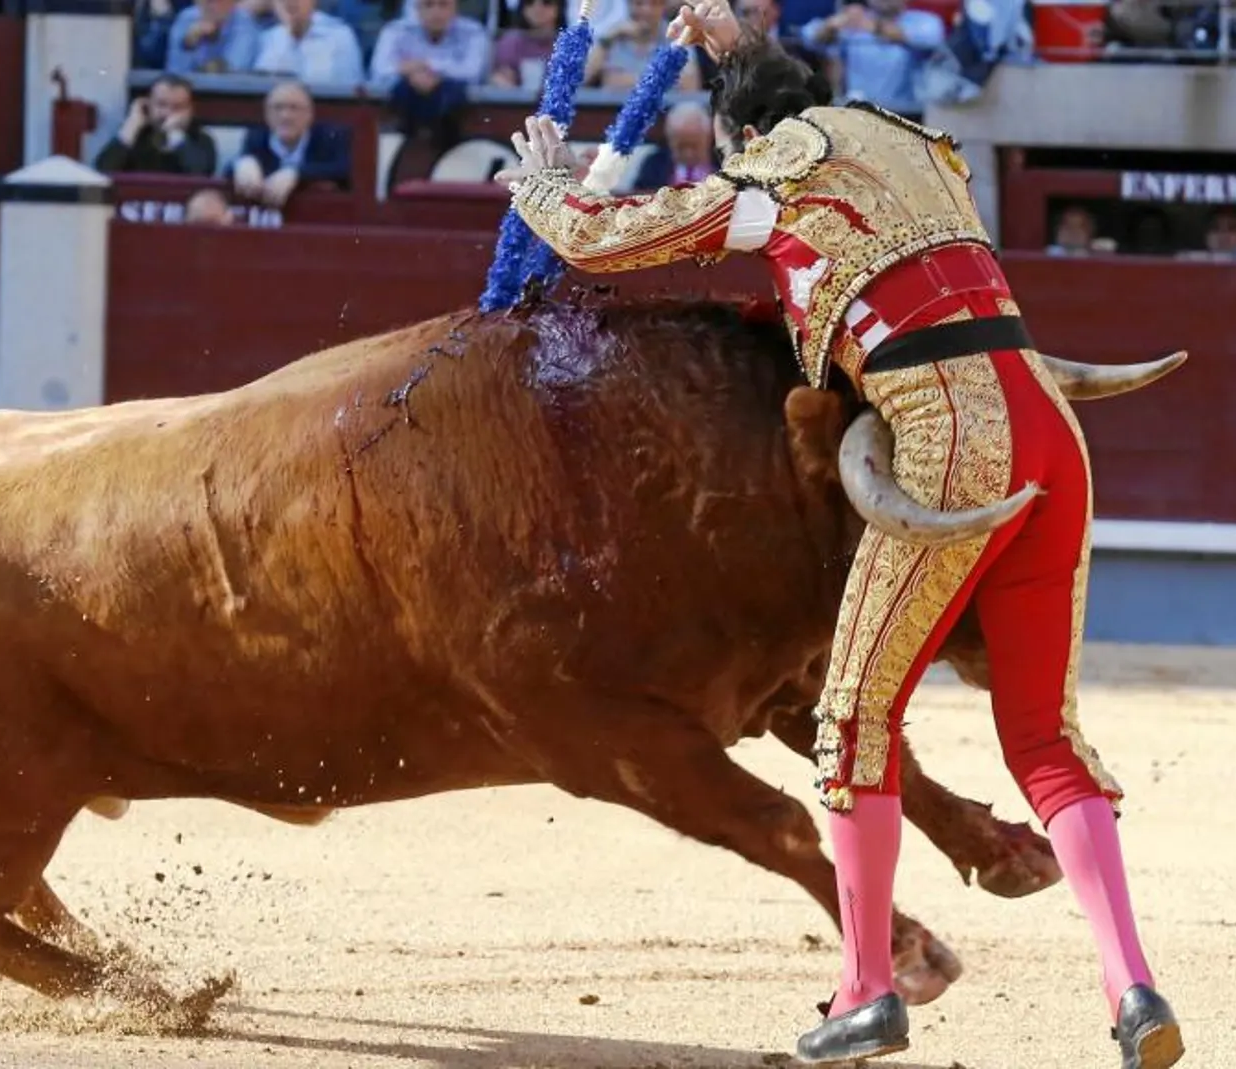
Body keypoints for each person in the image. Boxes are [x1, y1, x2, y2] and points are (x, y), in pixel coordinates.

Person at [492, 4, 1184, 1068]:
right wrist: (732, 50)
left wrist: (540, 174)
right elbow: (787, 97)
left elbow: (598, 237)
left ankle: (866, 989)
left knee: (852, 722)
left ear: (739, 140)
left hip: (948, 440)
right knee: (1044, 739)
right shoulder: (906, 140)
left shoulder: (769, 182)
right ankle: (1131, 984)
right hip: (1051, 425)